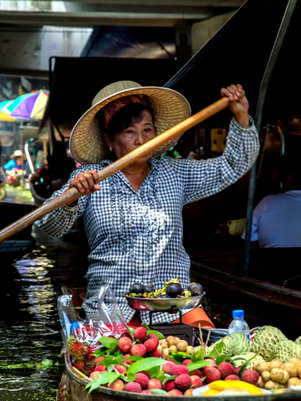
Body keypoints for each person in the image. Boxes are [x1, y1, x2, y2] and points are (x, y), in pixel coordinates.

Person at [35, 80, 259, 326]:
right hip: (112, 309)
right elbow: (50, 227)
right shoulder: (91, 178)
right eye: (129, 131)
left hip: (173, 307)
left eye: (147, 130)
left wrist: (241, 116)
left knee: (209, 353)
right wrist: (74, 196)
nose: (141, 140)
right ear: (110, 139)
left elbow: (231, 166)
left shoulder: (175, 173)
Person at [243, 153, 301, 248]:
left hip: (273, 262)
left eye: (276, 172)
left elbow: (248, 240)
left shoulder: (267, 203)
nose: (273, 177)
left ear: (289, 178)